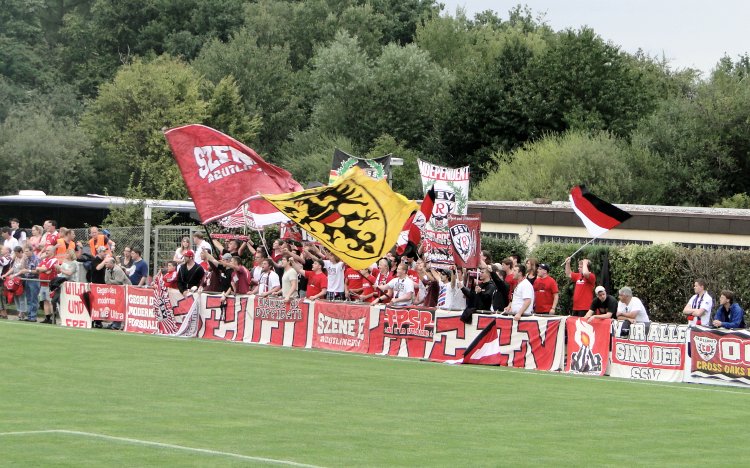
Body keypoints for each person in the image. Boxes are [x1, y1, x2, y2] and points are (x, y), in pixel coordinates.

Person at [15, 246, 40, 322]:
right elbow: (22, 268)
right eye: (24, 251)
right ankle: (29, 316)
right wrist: (23, 260)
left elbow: (38, 271)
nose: (25, 253)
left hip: (34, 280)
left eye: (27, 251)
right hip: (27, 279)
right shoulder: (26, 259)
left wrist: (28, 270)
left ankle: (33, 316)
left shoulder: (36, 259)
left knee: (33, 299)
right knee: (28, 299)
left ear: (31, 251)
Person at [36, 245, 58, 324]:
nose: (46, 252)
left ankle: (53, 318)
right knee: (45, 301)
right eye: (46, 250)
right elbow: (37, 268)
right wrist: (44, 270)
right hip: (43, 283)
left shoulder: (54, 260)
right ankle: (47, 318)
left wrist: (43, 269)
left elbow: (46, 269)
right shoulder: (44, 259)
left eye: (48, 250)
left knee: (50, 301)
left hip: (50, 284)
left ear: (52, 251)